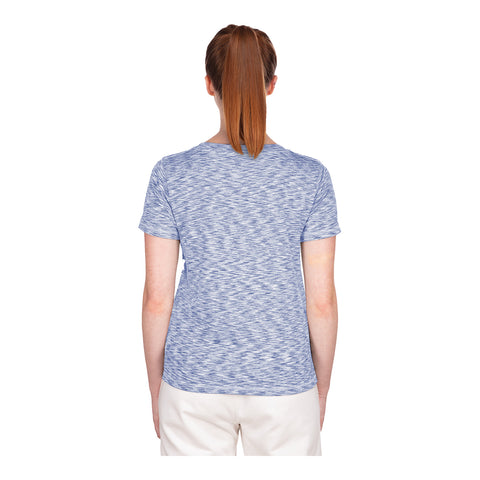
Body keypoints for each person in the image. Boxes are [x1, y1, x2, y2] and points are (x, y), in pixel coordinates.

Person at [138, 24, 341, 456]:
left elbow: (157, 299)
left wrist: (156, 386)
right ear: (270, 85)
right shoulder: (310, 178)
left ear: (210, 84)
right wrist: (319, 389)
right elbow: (321, 302)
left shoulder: (171, 175)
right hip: (285, 384)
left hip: (192, 385)